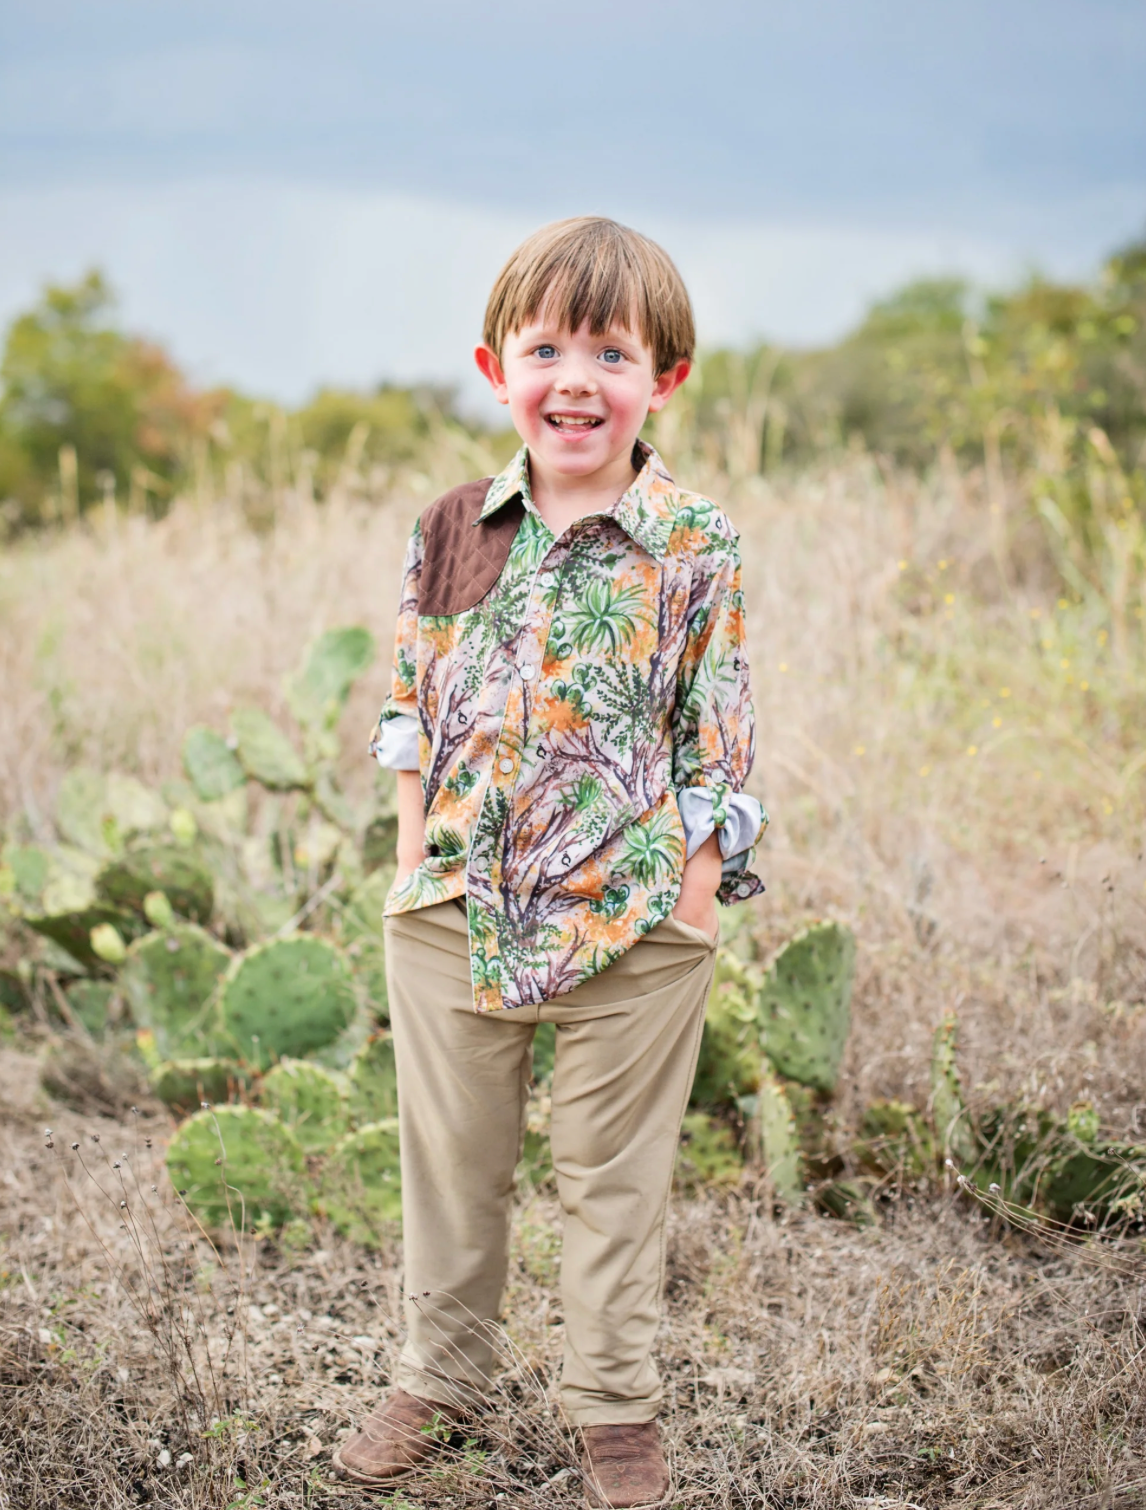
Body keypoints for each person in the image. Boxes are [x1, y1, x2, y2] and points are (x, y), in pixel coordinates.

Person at [334, 215, 766, 1509]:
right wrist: (413, 848)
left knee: (609, 1180)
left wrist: (693, 896)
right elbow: (411, 700)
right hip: (456, 901)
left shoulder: (695, 542)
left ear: (663, 379)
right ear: (492, 368)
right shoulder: (455, 524)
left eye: (610, 352)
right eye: (545, 348)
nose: (574, 378)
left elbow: (719, 733)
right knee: (452, 1163)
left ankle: (615, 1413)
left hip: (635, 919)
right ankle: (439, 1377)